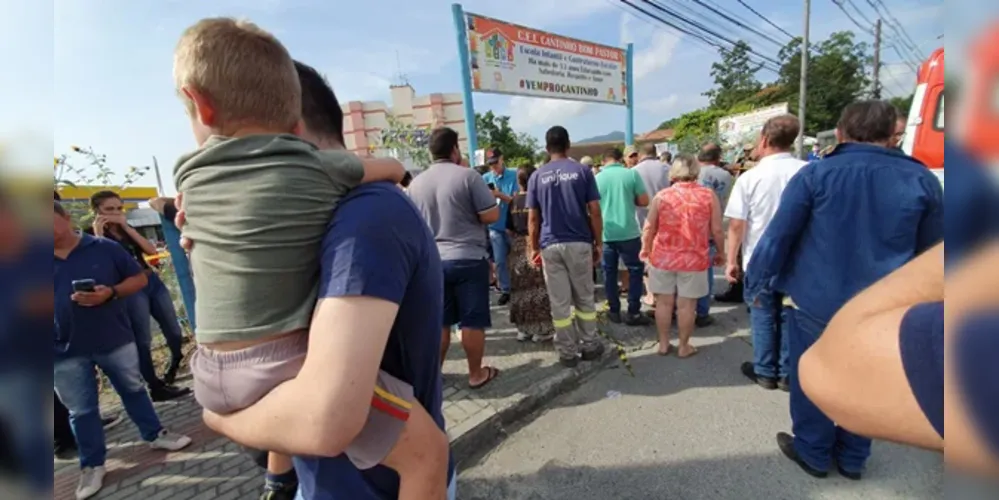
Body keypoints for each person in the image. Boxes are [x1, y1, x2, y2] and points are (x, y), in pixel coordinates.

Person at [170, 20, 444, 500]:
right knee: (429, 452)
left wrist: (216, 416)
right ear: (293, 121)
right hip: (330, 463)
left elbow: (324, 423)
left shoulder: (369, 216)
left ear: (200, 106)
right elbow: (396, 169)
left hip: (220, 375)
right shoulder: (327, 186)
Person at [745, 100, 944, 480]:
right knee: (870, 377)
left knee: (813, 376)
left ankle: (814, 451)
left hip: (816, 302)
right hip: (887, 306)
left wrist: (758, 283)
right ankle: (853, 457)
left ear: (839, 132)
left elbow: (778, 238)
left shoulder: (815, 176)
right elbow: (934, 253)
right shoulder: (921, 179)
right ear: (892, 136)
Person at [54, 201, 193, 499]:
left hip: (112, 337)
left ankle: (155, 434)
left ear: (66, 218)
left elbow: (140, 277)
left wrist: (111, 293)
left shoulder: (103, 248)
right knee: (81, 410)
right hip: (61, 349)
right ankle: (92, 465)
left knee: (133, 389)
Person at [407, 127, 501, 390]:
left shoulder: (416, 184)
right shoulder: (468, 176)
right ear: (454, 149)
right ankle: (475, 374)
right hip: (468, 258)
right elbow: (490, 215)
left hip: (433, 263)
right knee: (472, 320)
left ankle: (433, 376)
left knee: (440, 322)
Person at [724, 115, 807, 392]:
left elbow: (737, 224)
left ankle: (764, 370)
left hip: (759, 257)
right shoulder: (808, 172)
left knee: (761, 313)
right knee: (788, 314)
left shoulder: (750, 178)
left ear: (764, 140)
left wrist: (731, 260)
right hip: (799, 259)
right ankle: (786, 373)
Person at [86, 191, 190, 401]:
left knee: (173, 330)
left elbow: (150, 250)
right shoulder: (92, 237)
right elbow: (100, 266)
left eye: (119, 208)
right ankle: (155, 386)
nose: (116, 213)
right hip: (129, 288)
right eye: (109, 209)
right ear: (97, 211)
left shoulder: (127, 230)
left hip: (151, 281)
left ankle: (173, 365)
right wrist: (99, 234)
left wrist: (126, 227)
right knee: (143, 338)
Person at [527, 126, 605, 368]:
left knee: (559, 302)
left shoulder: (537, 176)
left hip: (550, 244)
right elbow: (594, 210)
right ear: (568, 144)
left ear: (547, 148)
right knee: (584, 298)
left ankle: (567, 353)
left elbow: (532, 218)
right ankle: (590, 345)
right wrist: (598, 242)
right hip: (579, 242)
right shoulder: (582, 171)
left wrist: (533, 248)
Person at [640, 155, 725, 358]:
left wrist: (645, 248)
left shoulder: (662, 196)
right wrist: (721, 252)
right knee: (687, 305)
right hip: (694, 259)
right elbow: (717, 230)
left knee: (663, 303)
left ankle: (663, 344)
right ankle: (684, 346)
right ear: (696, 171)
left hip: (663, 258)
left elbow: (649, 226)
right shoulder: (707, 195)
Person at [596, 147, 651, 326]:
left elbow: (592, 208)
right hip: (629, 232)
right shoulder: (631, 175)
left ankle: (614, 310)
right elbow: (644, 201)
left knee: (609, 273)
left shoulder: (597, 178)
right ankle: (633, 312)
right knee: (635, 271)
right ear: (621, 159)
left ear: (604, 160)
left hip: (607, 233)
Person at [505, 165, 556, 343]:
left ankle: (523, 329)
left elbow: (508, 228)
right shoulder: (537, 199)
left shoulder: (513, 201)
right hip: (535, 244)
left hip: (517, 247)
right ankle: (541, 330)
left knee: (520, 289)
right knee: (538, 288)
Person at [695, 143, 734, 327]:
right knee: (706, 270)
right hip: (713, 226)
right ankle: (703, 310)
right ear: (718, 158)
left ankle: (685, 307)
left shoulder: (693, 173)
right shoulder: (726, 175)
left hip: (691, 229)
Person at [481, 147, 518, 306]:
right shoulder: (485, 178)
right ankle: (505, 289)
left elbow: (516, 201)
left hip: (512, 225)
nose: (493, 167)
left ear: (502, 159)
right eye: (490, 164)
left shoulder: (514, 176)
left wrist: (499, 195)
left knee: (516, 259)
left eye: (495, 163)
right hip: (495, 226)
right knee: (500, 260)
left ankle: (519, 287)